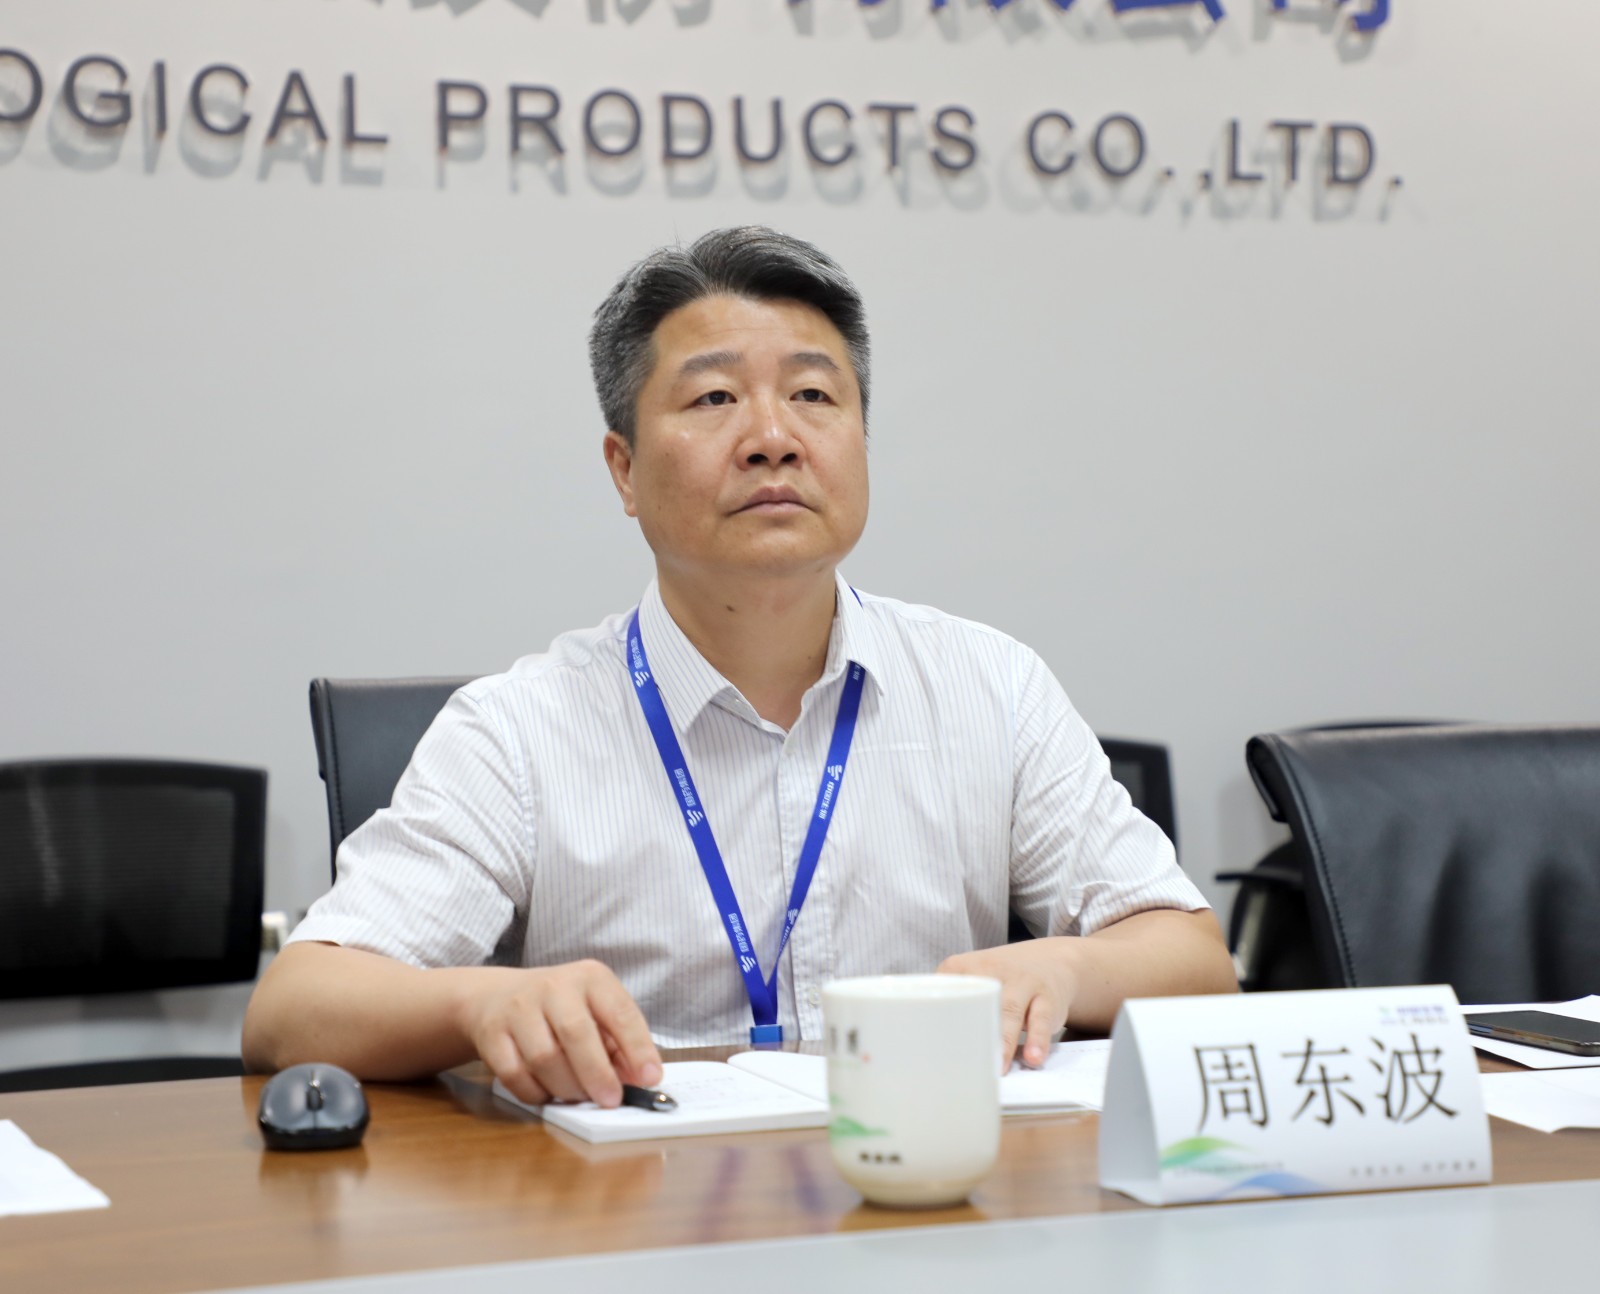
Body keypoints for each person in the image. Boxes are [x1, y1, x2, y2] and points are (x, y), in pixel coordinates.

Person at [242, 226, 1236, 1108]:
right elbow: (293, 1009)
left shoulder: (990, 688)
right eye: (714, 398)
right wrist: (482, 1003)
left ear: (861, 440)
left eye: (814, 396)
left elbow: (1194, 958)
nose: (772, 439)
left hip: (926, 1199)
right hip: (631, 1212)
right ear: (624, 470)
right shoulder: (521, 730)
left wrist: (1062, 969)